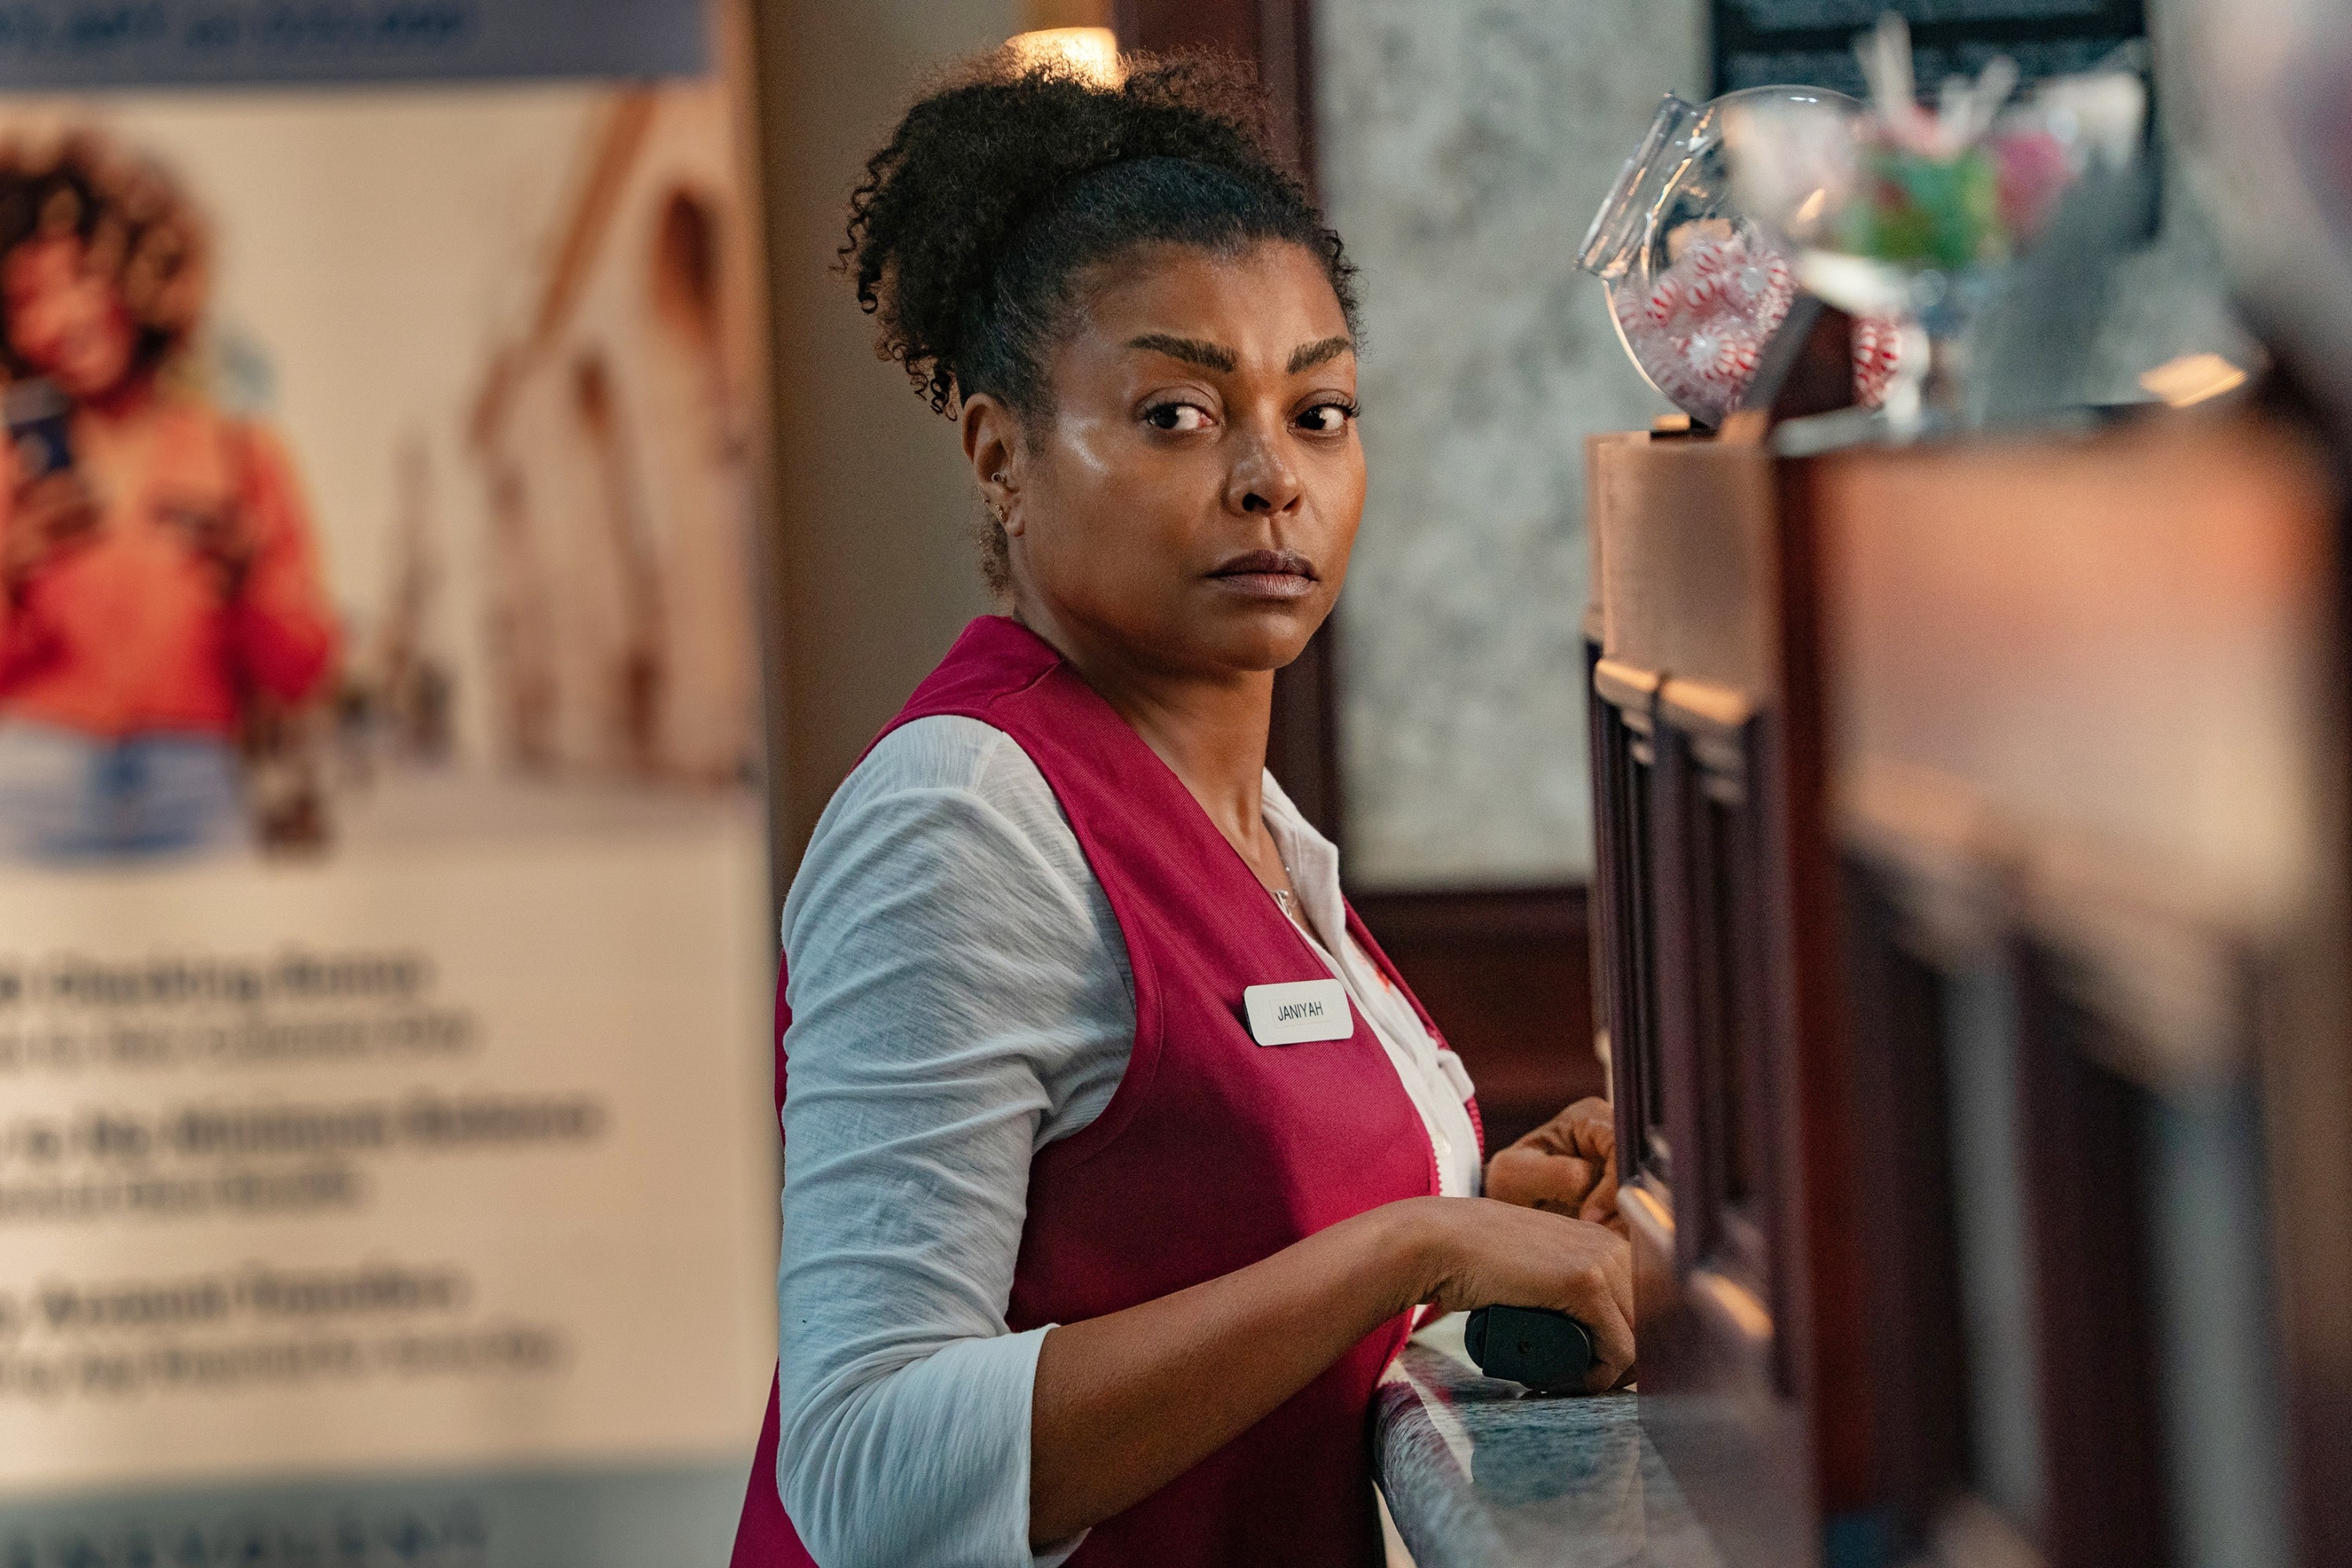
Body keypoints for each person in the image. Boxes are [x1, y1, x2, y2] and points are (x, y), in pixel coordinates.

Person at [731, 54, 1630, 1568]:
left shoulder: (1252, 827)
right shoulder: (960, 818)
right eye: (1176, 413)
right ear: (1001, 455)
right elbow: (863, 1465)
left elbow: (1181, 1230)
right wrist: (1403, 1246)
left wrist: (1468, 1210)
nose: (1272, 476)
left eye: (1322, 410)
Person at [0, 132, 338, 861]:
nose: (63, 319)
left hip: (197, 785)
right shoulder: (9, 466)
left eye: (84, 276)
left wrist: (252, 582)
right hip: (30, 783)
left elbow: (305, 669)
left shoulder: (241, 453)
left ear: (141, 272)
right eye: (29, 296)